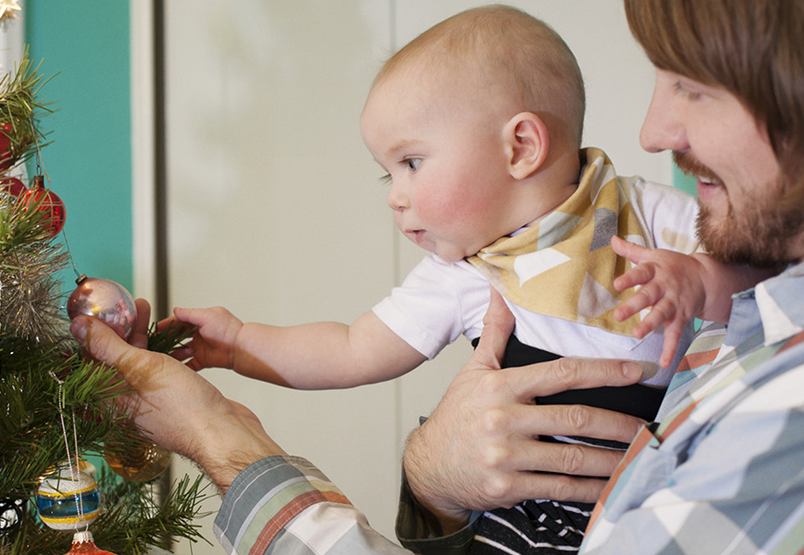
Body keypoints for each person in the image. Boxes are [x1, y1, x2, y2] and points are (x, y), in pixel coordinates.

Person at [165, 6, 766, 551]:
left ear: (521, 146)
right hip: (525, 514)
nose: (397, 199)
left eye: (411, 163)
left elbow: (755, 283)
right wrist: (240, 343)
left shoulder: (646, 214)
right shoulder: (467, 275)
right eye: (389, 176)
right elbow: (351, 348)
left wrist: (697, 282)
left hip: (656, 500)